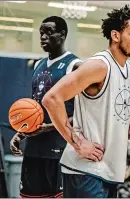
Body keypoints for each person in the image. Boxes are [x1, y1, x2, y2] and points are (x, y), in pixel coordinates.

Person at [41, 5, 130, 198]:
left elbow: (124, 125)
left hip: (111, 173)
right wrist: (77, 143)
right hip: (84, 172)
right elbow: (51, 98)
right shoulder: (99, 66)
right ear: (116, 36)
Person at [9, 16, 83, 198]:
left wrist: (47, 128)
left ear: (63, 35)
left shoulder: (75, 66)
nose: (43, 37)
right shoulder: (38, 65)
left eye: (49, 32)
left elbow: (83, 115)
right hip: (34, 150)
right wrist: (21, 132)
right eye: (41, 33)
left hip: (60, 151)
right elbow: (34, 109)